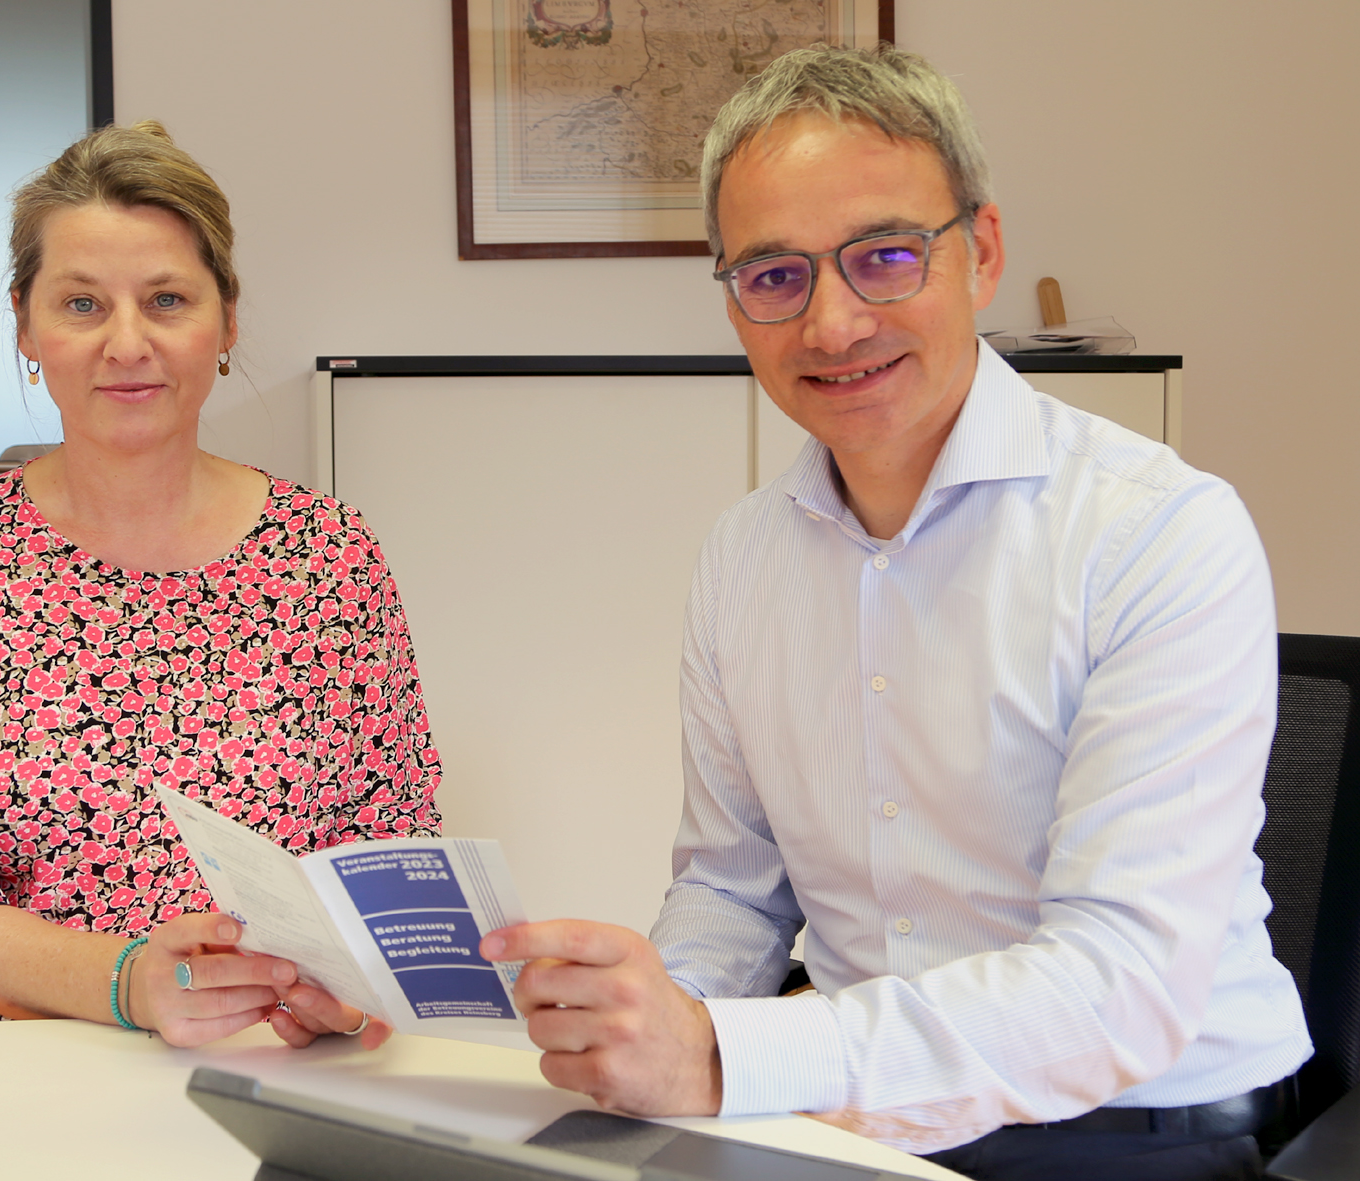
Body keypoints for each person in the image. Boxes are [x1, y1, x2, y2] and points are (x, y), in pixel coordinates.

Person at [481, 45, 1310, 1179]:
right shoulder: (743, 557)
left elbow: (1118, 985)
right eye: (773, 277)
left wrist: (726, 1055)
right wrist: (650, 1021)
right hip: (848, 1105)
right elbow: (731, 886)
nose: (830, 325)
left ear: (982, 253)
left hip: (1128, 1120)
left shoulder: (1156, 531)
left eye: (882, 257)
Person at [0, 122, 438, 1049]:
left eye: (167, 299)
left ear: (226, 319)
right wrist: (126, 982)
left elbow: (387, 854)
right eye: (83, 304)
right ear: (27, 325)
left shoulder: (331, 560)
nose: (127, 343)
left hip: (247, 1053)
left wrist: (350, 986)